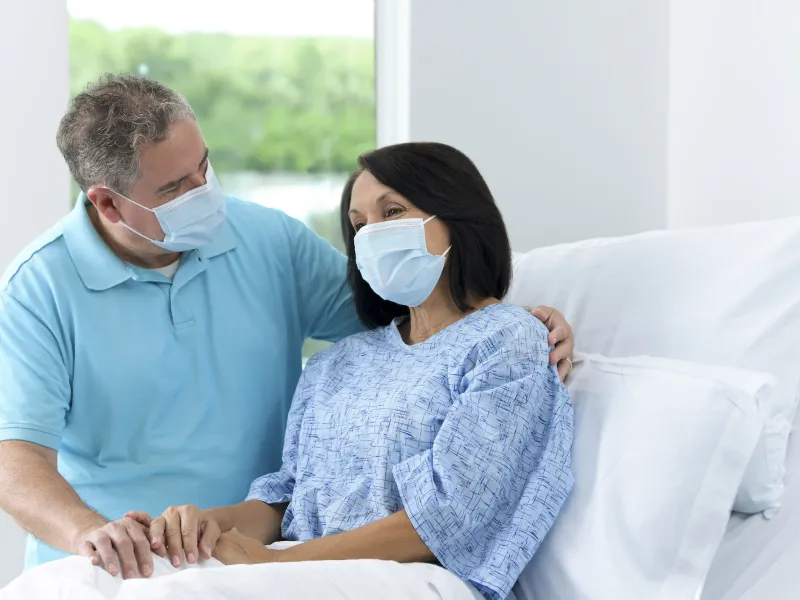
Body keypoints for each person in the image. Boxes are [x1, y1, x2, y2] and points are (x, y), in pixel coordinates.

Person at [0, 74, 574, 582]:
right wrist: (93, 534)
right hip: (125, 554)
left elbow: (416, 313)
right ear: (108, 204)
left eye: (204, 167)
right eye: (174, 189)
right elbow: (16, 458)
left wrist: (519, 320)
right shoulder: (38, 287)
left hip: (255, 557)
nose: (203, 193)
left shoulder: (269, 241)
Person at [127, 142, 574, 600]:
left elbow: (449, 517)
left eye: (392, 212)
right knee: (109, 582)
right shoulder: (335, 362)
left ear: (458, 218)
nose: (372, 234)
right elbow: (287, 499)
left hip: (412, 579)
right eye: (359, 225)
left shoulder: (506, 340)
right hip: (301, 569)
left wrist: (275, 564)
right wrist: (210, 525)